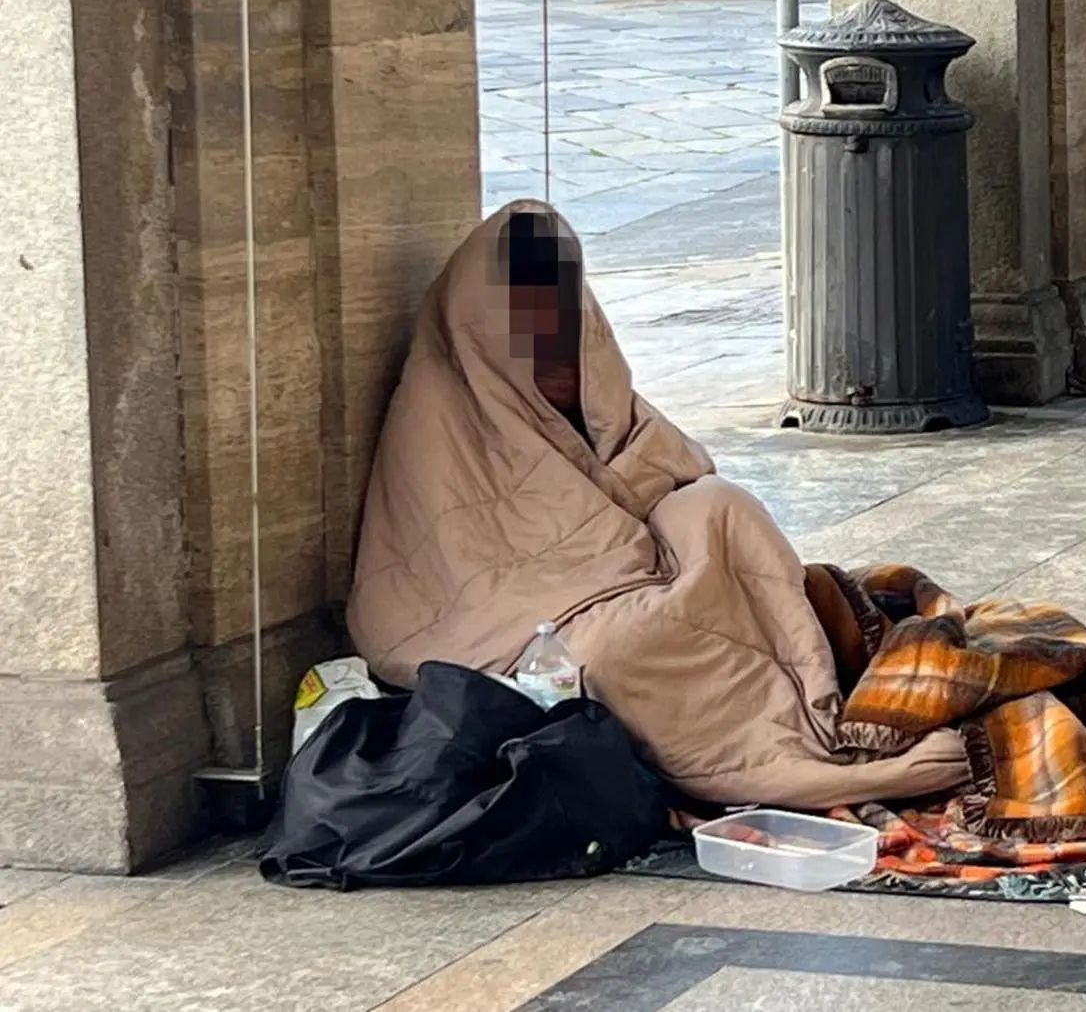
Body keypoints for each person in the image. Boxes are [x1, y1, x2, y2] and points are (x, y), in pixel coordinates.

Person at [346, 202, 970, 809]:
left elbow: (672, 463)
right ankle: (793, 774)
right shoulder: (437, 416)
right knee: (621, 652)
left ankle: (820, 717)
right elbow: (467, 562)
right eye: (525, 308)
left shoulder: (586, 361)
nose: (547, 322)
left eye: (558, 299)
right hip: (536, 610)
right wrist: (614, 546)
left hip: (631, 561)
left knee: (723, 509)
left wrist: (592, 429)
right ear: (482, 320)